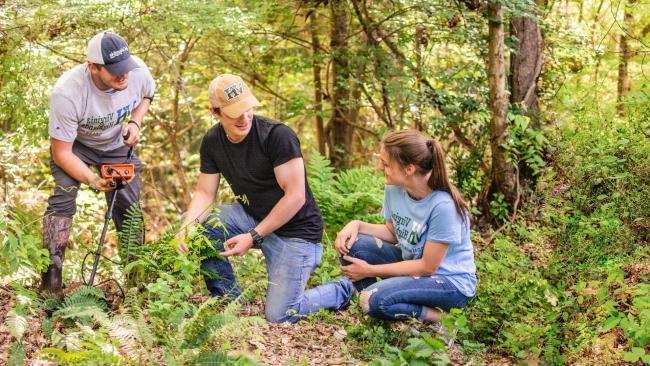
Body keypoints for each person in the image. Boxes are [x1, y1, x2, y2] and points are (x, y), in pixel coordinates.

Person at [178, 74, 353, 323]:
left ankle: (344, 289)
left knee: (279, 315)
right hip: (254, 217)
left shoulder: (277, 136)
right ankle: (229, 300)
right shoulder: (212, 142)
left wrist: (253, 236)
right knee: (195, 222)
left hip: (297, 233)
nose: (244, 117)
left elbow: (295, 197)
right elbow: (206, 193)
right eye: (234, 112)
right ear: (215, 112)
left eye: (247, 108)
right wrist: (187, 229)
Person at [41, 31, 155, 298]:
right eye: (115, 71)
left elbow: (147, 95)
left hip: (116, 145)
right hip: (76, 147)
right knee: (63, 198)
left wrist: (136, 122)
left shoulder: (137, 71)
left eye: (125, 68)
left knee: (128, 205)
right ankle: (51, 283)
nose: (123, 75)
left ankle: (135, 282)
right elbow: (62, 153)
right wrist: (92, 180)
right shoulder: (67, 92)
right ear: (92, 67)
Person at [321, 129, 477, 323]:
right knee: (352, 247)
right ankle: (382, 302)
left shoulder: (443, 206)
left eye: (385, 164)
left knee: (375, 300)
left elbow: (427, 267)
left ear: (409, 169)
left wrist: (369, 271)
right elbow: (392, 233)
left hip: (449, 283)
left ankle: (442, 319)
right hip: (414, 268)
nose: (379, 167)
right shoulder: (394, 188)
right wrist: (356, 225)